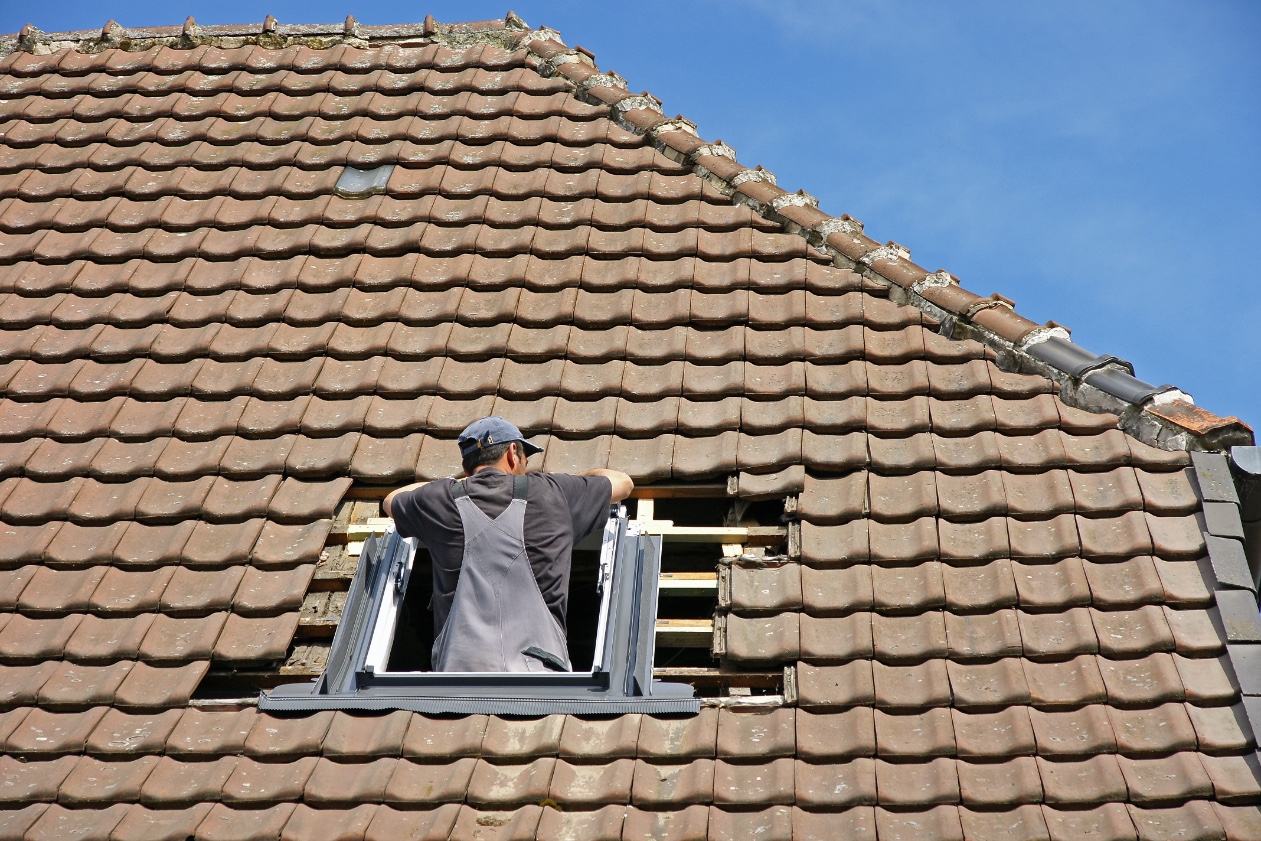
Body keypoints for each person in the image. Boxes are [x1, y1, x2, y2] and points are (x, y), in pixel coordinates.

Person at [383, 417, 634, 673]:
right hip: (541, 688)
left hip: (458, 687)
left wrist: (456, 485)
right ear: (513, 452)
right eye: (526, 459)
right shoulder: (555, 492)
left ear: (465, 465)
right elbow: (623, 483)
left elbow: (391, 500)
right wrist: (569, 481)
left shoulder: (438, 500)